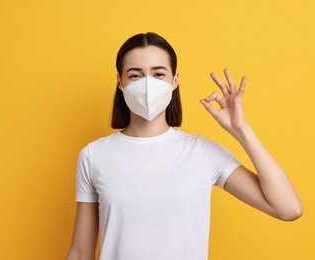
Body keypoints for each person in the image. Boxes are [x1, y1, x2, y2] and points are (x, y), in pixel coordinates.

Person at [66, 32, 303, 260]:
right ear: (120, 82)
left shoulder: (202, 153)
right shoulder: (94, 155)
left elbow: (288, 209)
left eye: (158, 74)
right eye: (135, 75)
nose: (147, 84)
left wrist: (241, 130)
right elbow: (80, 254)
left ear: (175, 80)